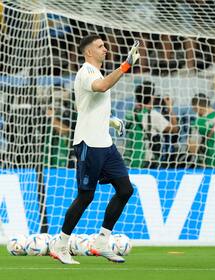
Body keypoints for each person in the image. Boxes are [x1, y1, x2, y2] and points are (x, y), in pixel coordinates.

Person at [49, 34, 139, 264]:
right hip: (89, 143)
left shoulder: (96, 71)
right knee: (86, 196)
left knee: (125, 189)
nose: (105, 49)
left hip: (105, 144)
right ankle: (60, 245)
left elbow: (89, 107)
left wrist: (110, 120)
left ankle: (101, 241)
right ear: (89, 52)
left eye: (104, 45)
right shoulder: (86, 72)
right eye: (100, 46)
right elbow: (101, 87)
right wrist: (126, 65)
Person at [124, 81, 179, 168]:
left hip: (128, 159)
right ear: (151, 97)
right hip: (144, 161)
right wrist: (170, 108)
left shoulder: (129, 113)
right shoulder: (153, 115)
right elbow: (175, 129)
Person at [188, 93, 215, 168]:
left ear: (197, 107)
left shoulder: (198, 123)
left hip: (209, 164)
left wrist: (188, 142)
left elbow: (193, 149)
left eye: (194, 109)